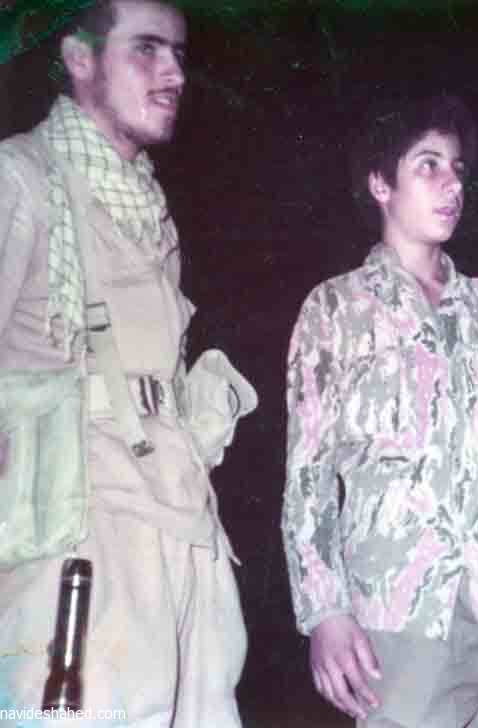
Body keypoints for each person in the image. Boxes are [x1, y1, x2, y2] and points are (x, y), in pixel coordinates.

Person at [282, 94, 478, 726]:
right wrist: (324, 611)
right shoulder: (334, 309)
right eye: (428, 165)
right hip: (403, 616)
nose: (452, 184)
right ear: (381, 184)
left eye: (457, 168)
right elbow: (307, 476)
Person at [0, 2, 254, 725]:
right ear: (80, 59)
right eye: (146, 49)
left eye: (178, 53)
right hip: (75, 532)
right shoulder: (21, 179)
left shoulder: (146, 207)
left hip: (179, 521)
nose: (174, 72)